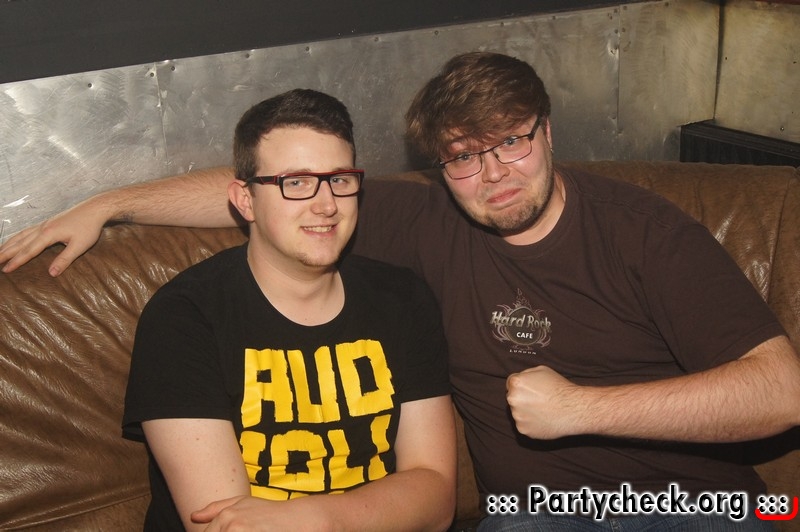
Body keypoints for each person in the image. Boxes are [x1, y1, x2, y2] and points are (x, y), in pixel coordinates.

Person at [3, 52, 800, 530]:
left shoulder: (643, 233)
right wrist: (111, 205)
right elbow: (279, 185)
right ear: (439, 167)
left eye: (512, 142)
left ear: (547, 132)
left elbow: (781, 393)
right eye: (464, 156)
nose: (493, 173)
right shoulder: (421, 223)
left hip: (697, 509)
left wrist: (583, 409)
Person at [120, 88, 456, 531]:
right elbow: (223, 526)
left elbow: (436, 496)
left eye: (340, 179)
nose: (326, 204)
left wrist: (316, 519)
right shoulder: (183, 318)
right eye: (295, 182)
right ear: (245, 200)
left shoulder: (403, 298)